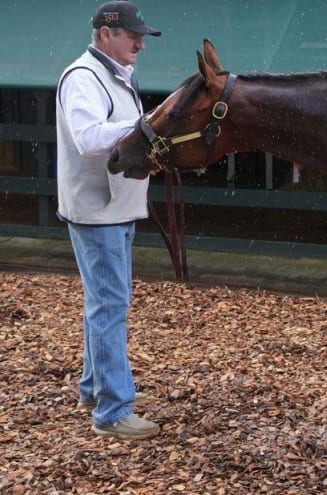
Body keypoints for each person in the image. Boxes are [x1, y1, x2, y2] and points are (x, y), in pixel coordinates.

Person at [55, 1, 161, 440]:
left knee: (103, 304)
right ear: (105, 35)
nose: (140, 43)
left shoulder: (114, 73)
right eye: (132, 36)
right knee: (109, 307)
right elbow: (88, 138)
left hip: (113, 208)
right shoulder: (83, 78)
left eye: (141, 36)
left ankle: (92, 389)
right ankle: (113, 412)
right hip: (98, 212)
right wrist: (145, 126)